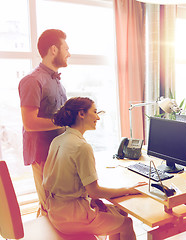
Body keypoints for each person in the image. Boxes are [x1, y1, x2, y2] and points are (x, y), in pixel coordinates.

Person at [43, 97, 147, 240]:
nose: (98, 117)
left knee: (120, 212)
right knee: (127, 223)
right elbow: (95, 191)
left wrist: (89, 199)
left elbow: (66, 184)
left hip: (56, 210)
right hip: (72, 216)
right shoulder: (81, 146)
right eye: (95, 112)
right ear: (81, 114)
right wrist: (129, 189)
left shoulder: (58, 140)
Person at [18, 29, 70, 214]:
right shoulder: (32, 81)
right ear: (54, 50)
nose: (69, 54)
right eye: (66, 48)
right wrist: (65, 121)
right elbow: (30, 123)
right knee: (50, 208)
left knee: (60, 208)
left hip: (59, 154)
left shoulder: (58, 82)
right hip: (43, 156)